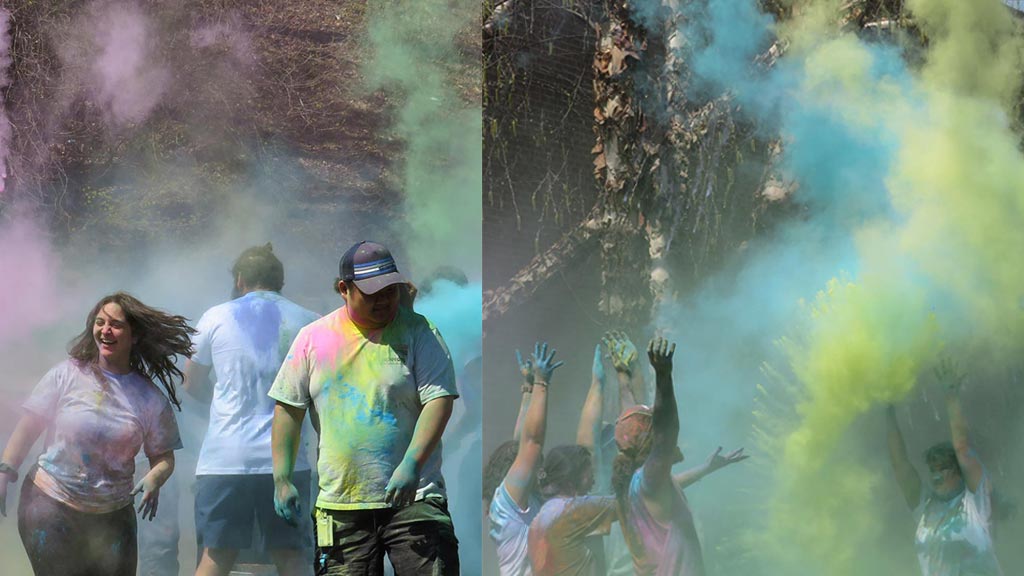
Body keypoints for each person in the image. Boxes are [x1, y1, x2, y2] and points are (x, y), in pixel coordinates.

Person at [269, 240, 460, 575]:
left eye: (390, 289)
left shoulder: (420, 332)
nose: (384, 299)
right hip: (341, 504)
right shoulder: (312, 339)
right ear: (344, 289)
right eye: (372, 293)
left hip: (415, 499)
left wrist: (411, 464)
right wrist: (282, 478)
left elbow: (439, 400)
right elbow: (289, 409)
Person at [0, 292, 191, 576]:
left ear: (134, 335)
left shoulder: (149, 398)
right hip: (50, 504)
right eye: (100, 322)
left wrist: (154, 477)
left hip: (113, 514)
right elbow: (29, 427)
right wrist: (5, 472)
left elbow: (163, 457)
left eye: (115, 324)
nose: (105, 330)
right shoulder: (66, 375)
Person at [184, 243, 319, 576]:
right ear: (280, 280)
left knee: (216, 555)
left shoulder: (215, 317)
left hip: (226, 459)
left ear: (240, 279)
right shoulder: (310, 322)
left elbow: (191, 382)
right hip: (286, 462)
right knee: (291, 555)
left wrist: (218, 402)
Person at [886, 356, 1003, 576]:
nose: (936, 475)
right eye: (933, 470)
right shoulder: (925, 507)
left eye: (943, 468)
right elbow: (899, 464)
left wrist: (951, 397)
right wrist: (888, 410)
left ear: (959, 472)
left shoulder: (975, 502)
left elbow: (962, 448)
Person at [612, 338, 705, 576]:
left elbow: (631, 420)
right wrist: (664, 376)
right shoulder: (650, 479)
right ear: (649, 440)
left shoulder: (636, 480)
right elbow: (667, 431)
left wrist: (624, 374)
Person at [488, 342, 562, 576]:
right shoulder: (508, 501)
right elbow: (531, 442)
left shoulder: (514, 501)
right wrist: (542, 383)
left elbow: (521, 441)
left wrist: (528, 389)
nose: (538, 467)